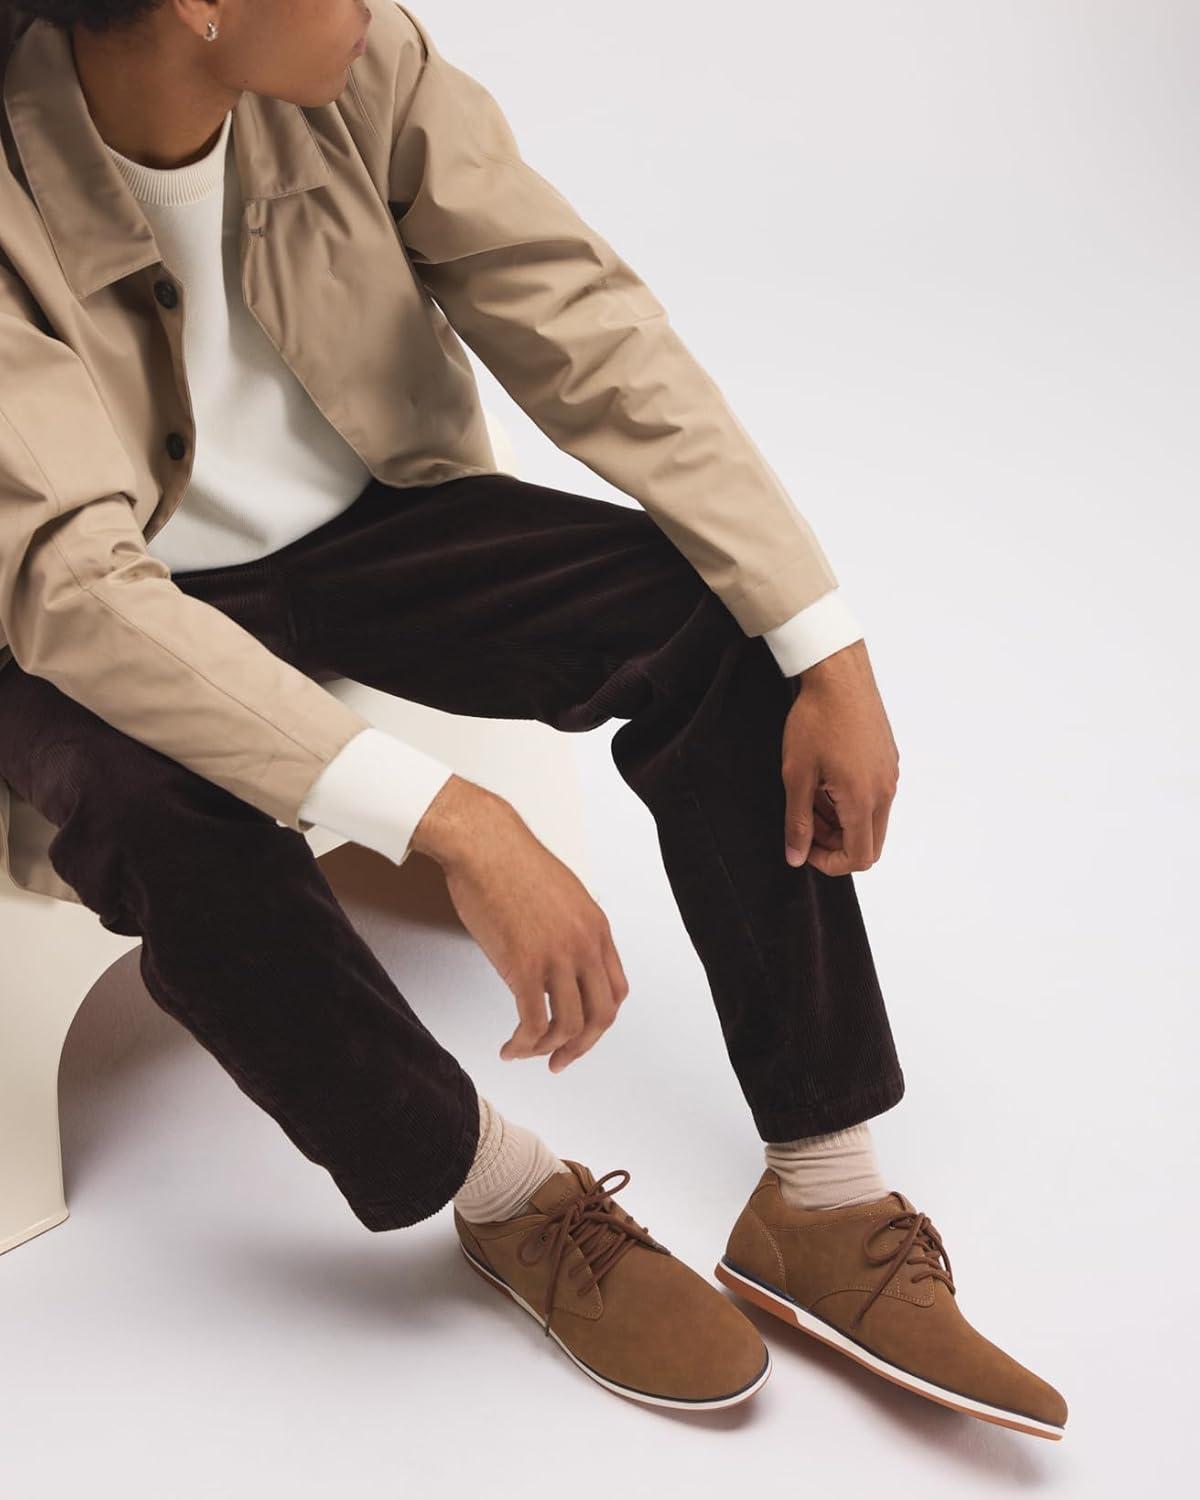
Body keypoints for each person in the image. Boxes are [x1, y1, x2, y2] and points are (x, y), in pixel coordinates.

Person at [0, 0, 1066, 1430]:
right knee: (155, 816)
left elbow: (579, 315)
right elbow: (75, 585)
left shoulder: (364, 67)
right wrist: (457, 822)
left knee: (712, 620)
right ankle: (505, 1195)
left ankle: (823, 1196)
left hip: (362, 529)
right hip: (68, 616)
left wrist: (827, 644)